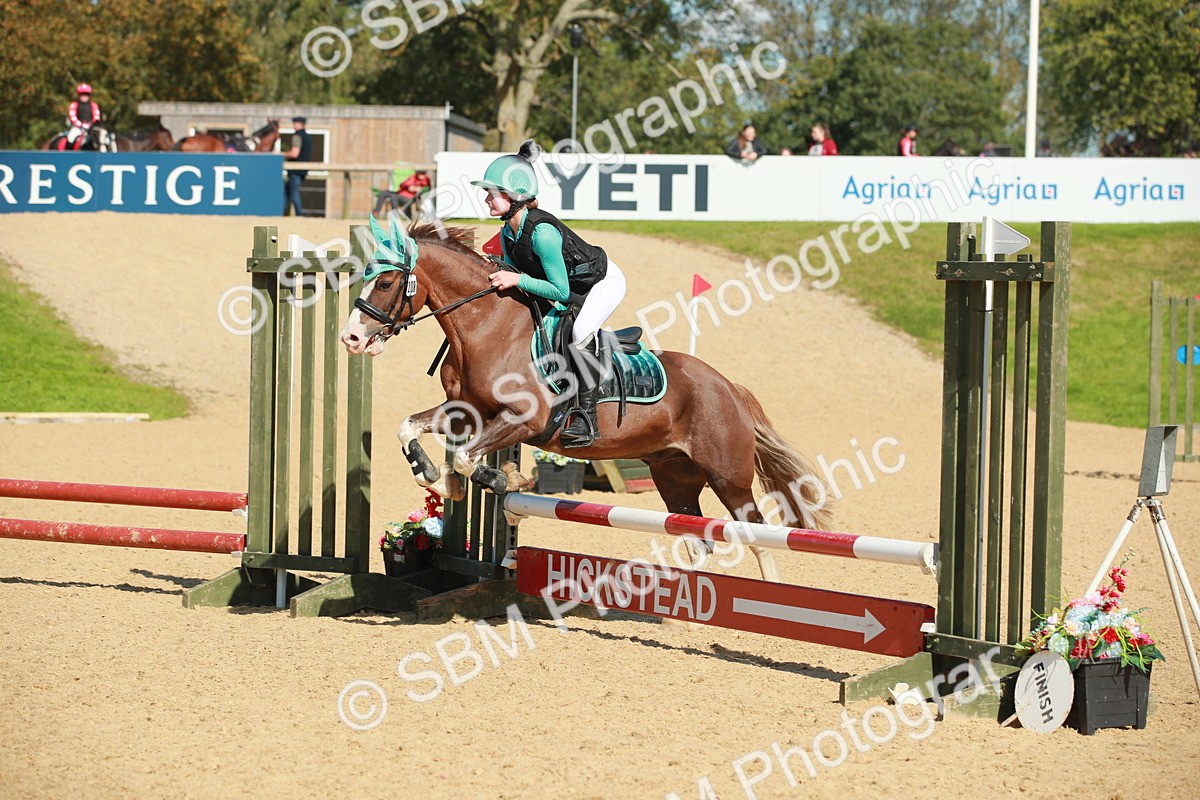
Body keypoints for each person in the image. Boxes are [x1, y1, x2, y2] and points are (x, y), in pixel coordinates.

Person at [471, 140, 627, 448]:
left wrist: (516, 278)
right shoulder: (509, 232)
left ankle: (586, 417)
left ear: (514, 195)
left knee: (581, 330)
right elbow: (520, 275)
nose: (486, 197)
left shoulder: (543, 233)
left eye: (493, 191)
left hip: (600, 283)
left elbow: (559, 290)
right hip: (571, 286)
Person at [284, 117, 313, 216]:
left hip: (295, 170)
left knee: (294, 193)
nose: (293, 125)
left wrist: (281, 154)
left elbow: (294, 153)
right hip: (303, 169)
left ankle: (299, 214)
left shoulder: (297, 136)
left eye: (295, 123)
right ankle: (283, 213)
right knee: (287, 191)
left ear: (299, 124)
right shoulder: (308, 137)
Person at [60, 83, 102, 151]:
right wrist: (81, 125)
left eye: (86, 94)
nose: (84, 96)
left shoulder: (93, 105)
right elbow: (72, 116)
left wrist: (90, 124)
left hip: (91, 128)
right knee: (71, 138)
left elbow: (96, 116)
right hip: (78, 128)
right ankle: (68, 153)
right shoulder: (74, 105)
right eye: (82, 94)